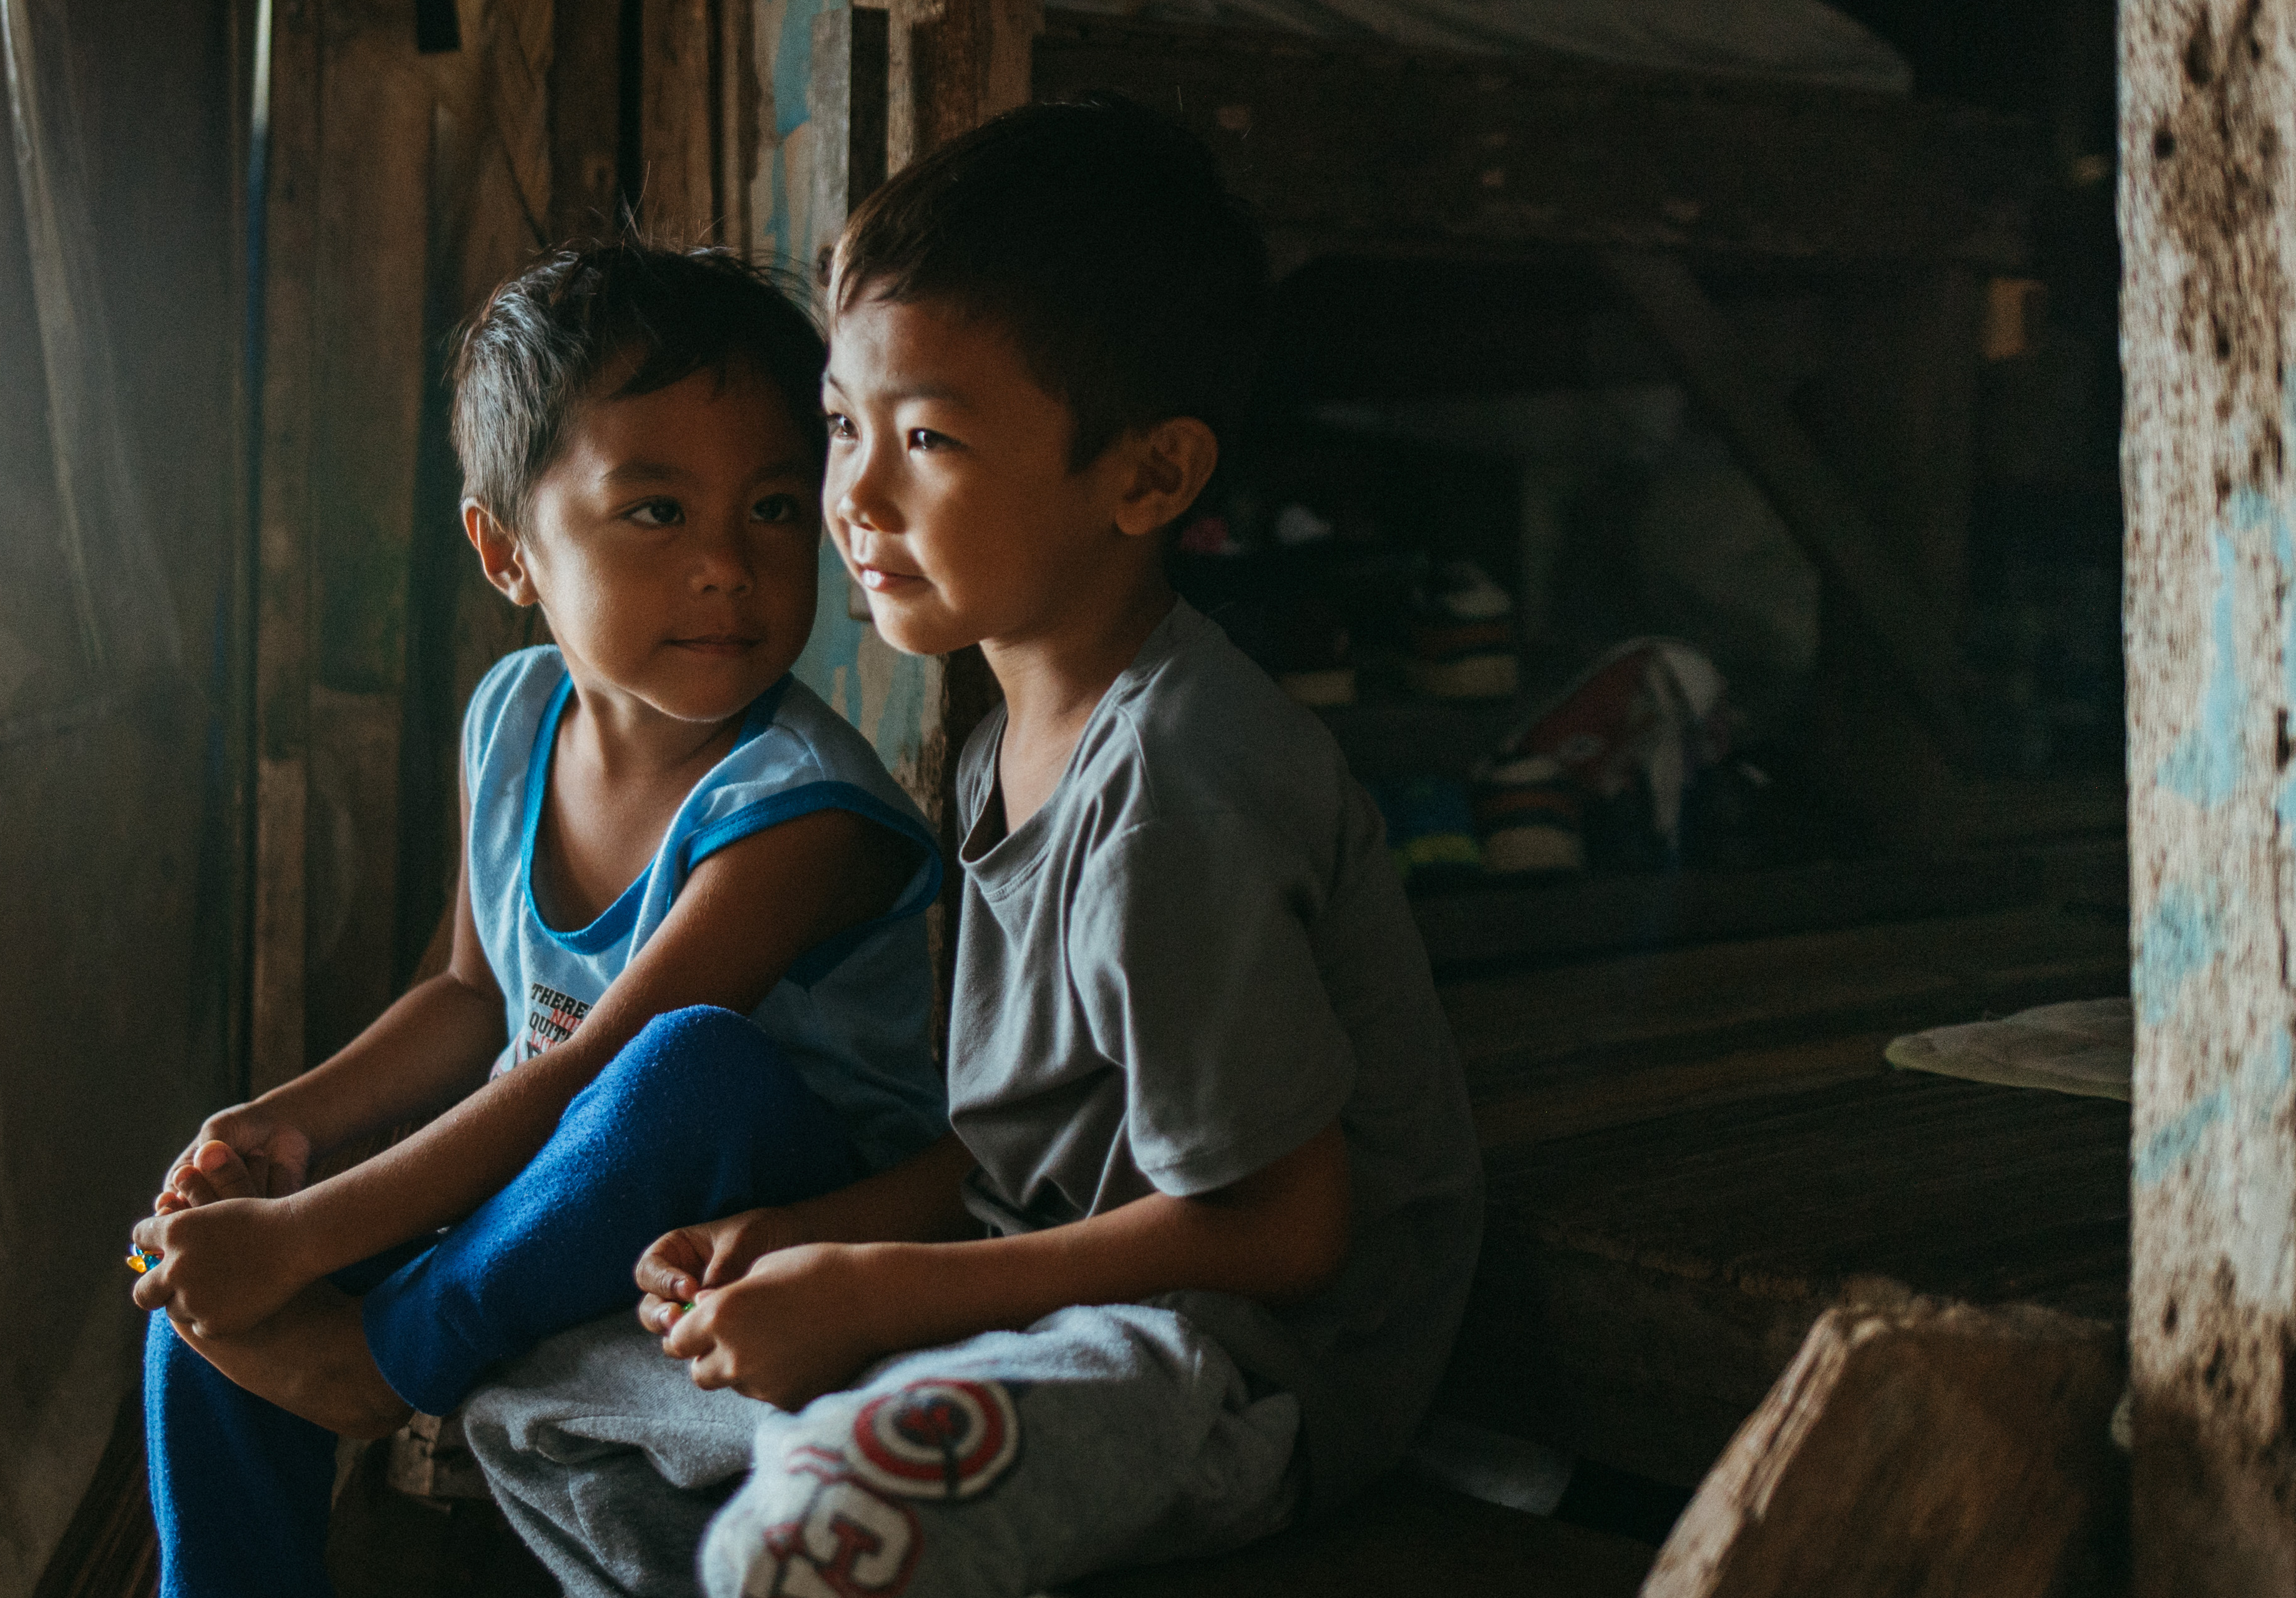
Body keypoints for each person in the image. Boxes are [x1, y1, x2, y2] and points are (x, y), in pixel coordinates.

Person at [462, 99, 1484, 1598]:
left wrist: (883, 1290)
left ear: (1147, 479)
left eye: (926, 437)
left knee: (825, 1519)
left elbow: (1281, 1226)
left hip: (1230, 1367)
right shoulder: (1001, 734)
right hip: (1047, 1307)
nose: (852, 499)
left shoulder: (1176, 786)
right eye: (840, 427)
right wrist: (807, 1242)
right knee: (543, 1403)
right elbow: (1030, 1162)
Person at [129, 243, 949, 1598]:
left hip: (767, 1175)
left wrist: (319, 1237)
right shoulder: (512, 718)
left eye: (770, 509)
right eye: (655, 513)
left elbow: (595, 1068)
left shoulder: (802, 811)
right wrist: (282, 1136)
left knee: (687, 1060)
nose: (727, 569)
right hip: (565, 1174)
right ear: (506, 548)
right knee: (203, 1299)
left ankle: (387, 1359)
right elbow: (468, 997)